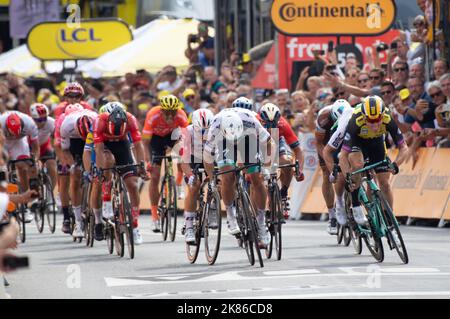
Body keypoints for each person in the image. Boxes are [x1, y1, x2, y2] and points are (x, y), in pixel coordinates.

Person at [203, 102, 273, 249]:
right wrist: (211, 179)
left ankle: (260, 223)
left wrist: (267, 166)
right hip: (224, 142)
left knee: (257, 178)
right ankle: (230, 214)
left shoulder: (251, 121)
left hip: (247, 139)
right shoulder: (215, 126)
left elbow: (268, 143)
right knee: (227, 176)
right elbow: (207, 157)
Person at [339, 96, 409, 225]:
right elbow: (343, 156)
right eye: (371, 121)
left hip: (376, 143)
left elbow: (404, 147)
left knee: (384, 183)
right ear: (364, 117)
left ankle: (390, 220)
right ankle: (356, 206)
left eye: (378, 120)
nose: (375, 124)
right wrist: (348, 176)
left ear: (382, 116)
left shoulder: (388, 119)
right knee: (358, 165)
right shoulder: (355, 121)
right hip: (358, 143)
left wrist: (395, 165)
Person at [93, 104, 147, 244]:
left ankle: (135, 227)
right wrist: (100, 170)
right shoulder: (100, 121)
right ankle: (106, 200)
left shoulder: (131, 119)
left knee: (133, 185)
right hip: (106, 146)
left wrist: (142, 166)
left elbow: (138, 145)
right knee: (108, 161)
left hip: (123, 146)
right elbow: (98, 150)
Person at [142, 95, 188, 233]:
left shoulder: (180, 115)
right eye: (167, 112)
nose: (170, 115)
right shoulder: (153, 115)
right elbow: (145, 143)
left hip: (172, 135)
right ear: (161, 110)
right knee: (155, 177)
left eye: (173, 112)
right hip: (155, 140)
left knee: (182, 151)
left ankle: (179, 184)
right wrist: (147, 161)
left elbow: (187, 137)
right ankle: (155, 217)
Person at [257, 103, 305, 218]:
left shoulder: (283, 124)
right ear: (261, 121)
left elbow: (298, 150)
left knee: (287, 162)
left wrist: (299, 171)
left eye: (273, 124)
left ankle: (283, 194)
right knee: (258, 172)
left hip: (277, 141)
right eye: (267, 125)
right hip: (259, 143)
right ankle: (266, 198)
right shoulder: (255, 122)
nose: (270, 127)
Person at [59, 109, 98, 238]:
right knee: (75, 175)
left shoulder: (97, 120)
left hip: (93, 139)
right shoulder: (66, 126)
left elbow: (100, 148)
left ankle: (99, 215)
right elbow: (65, 151)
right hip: (74, 142)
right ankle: (77, 222)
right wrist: (74, 165)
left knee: (99, 174)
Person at [179, 109, 215, 243]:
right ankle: (189, 226)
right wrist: (190, 175)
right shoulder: (187, 132)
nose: (205, 133)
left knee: (223, 180)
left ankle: (213, 206)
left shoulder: (217, 130)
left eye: (208, 129)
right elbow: (184, 160)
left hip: (211, 156)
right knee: (194, 186)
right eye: (201, 130)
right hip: (193, 158)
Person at [0, 111, 39, 223]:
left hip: (20, 143)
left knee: (22, 166)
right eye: (12, 133)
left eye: (16, 133)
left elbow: (36, 147)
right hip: (3, 142)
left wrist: (35, 161)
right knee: (3, 168)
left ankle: (25, 206)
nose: (14, 136)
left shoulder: (30, 124)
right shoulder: (1, 122)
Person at [321, 100, 354, 230]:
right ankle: (339, 202)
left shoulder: (358, 116)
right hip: (334, 144)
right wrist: (333, 171)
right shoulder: (329, 122)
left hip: (355, 141)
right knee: (338, 174)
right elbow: (326, 150)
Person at [29, 103, 57, 195]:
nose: (42, 122)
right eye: (39, 120)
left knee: (52, 165)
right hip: (30, 148)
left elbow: (56, 138)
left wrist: (55, 152)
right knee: (34, 167)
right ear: (32, 118)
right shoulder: (28, 124)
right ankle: (34, 192)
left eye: (44, 118)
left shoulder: (51, 122)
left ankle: (50, 193)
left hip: (45, 146)